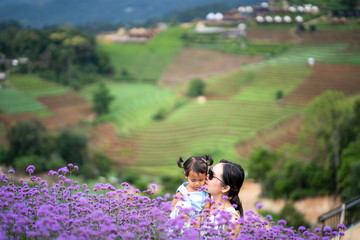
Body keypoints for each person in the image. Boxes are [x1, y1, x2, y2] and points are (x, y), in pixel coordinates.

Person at [204, 159, 245, 237]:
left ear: (225, 188)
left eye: (212, 175)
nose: (206, 176)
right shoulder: (204, 202)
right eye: (209, 171)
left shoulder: (231, 220)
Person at [170, 154, 214, 219]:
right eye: (193, 180)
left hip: (198, 222)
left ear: (206, 175)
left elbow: (206, 208)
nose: (197, 184)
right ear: (186, 175)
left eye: (201, 180)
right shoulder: (182, 191)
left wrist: (199, 220)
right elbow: (174, 206)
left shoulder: (205, 191)